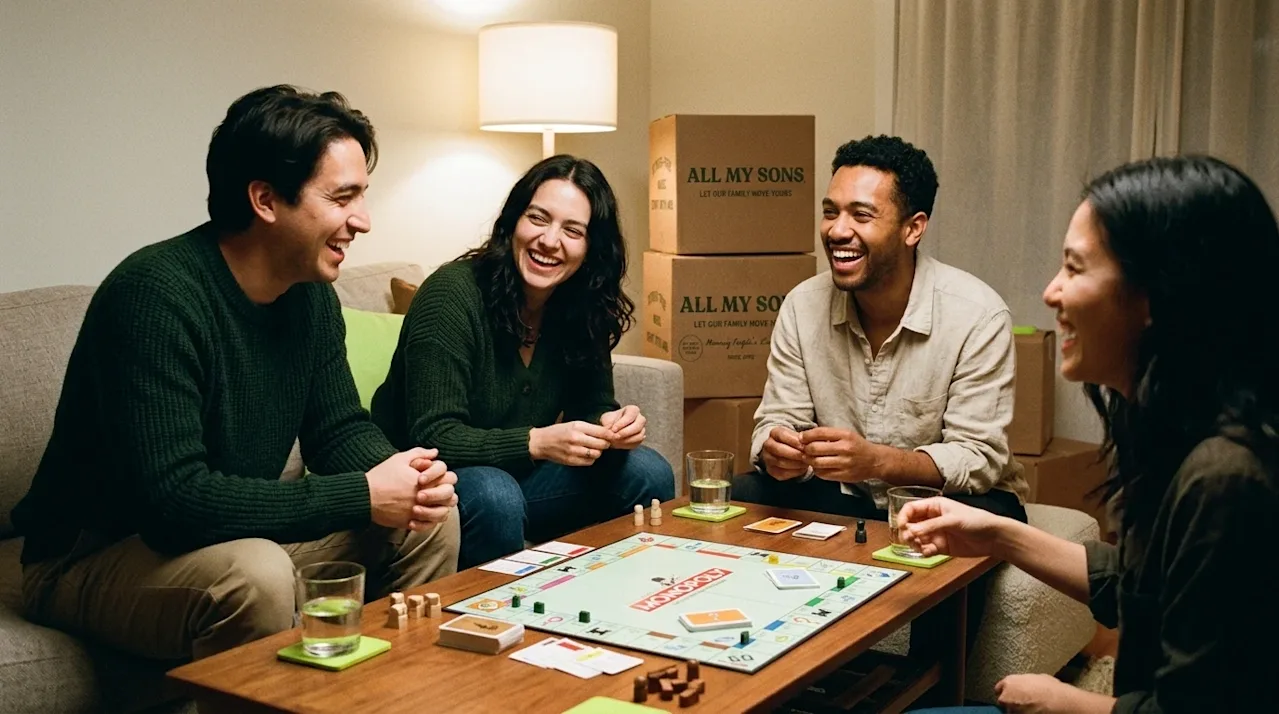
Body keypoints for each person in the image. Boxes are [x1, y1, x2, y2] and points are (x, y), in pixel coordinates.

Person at [10, 85, 460, 662]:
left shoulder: (309, 295)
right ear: (266, 200)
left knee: (431, 520)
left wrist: (411, 478)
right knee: (257, 574)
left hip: (221, 538)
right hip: (92, 555)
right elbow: (174, 501)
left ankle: (397, 693)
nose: (363, 220)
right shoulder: (153, 297)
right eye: (342, 197)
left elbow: (339, 430)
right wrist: (365, 493)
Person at [902, 156, 1279, 713]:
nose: (1052, 292)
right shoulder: (1178, 429)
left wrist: (1069, 703)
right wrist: (996, 533)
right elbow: (1139, 582)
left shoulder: (1226, 477)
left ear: (1156, 296)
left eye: (1075, 269)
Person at [371, 154, 674, 569]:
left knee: (648, 471)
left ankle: (618, 598)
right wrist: (537, 441)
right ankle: (497, 621)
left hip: (526, 480)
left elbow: (592, 404)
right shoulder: (452, 295)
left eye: (572, 230)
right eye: (538, 218)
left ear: (590, 248)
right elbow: (434, 433)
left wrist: (612, 425)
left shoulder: (581, 305)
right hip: (437, 478)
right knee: (497, 495)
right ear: (513, 221)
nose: (550, 241)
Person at [735, 134, 1028, 523]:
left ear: (913, 229)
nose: (837, 231)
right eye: (830, 212)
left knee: (987, 516)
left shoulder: (978, 315)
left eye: (861, 215)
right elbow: (778, 417)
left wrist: (877, 461)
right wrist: (778, 450)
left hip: (942, 501)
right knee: (740, 492)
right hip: (841, 494)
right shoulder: (802, 305)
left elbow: (978, 458)